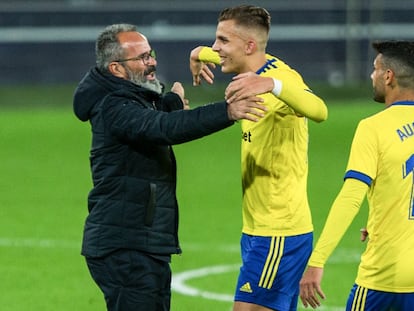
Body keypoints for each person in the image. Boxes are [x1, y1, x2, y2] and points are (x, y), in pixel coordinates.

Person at [73, 23, 267, 311]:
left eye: (150, 53)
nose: (152, 62)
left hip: (143, 243)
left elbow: (153, 119)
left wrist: (172, 102)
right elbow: (161, 128)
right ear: (116, 69)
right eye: (141, 58)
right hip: (126, 246)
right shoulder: (112, 106)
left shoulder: (129, 100)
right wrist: (226, 112)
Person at [189, 5, 328, 311]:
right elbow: (205, 52)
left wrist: (274, 86)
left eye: (223, 41)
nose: (216, 48)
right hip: (256, 229)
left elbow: (319, 110)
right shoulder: (249, 63)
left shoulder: (280, 78)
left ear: (249, 46)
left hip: (279, 231)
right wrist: (196, 55)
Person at [299, 41, 414, 311]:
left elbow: (352, 196)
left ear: (389, 76)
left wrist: (317, 260)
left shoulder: (373, 128)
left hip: (385, 276)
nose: (372, 76)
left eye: (375, 69)